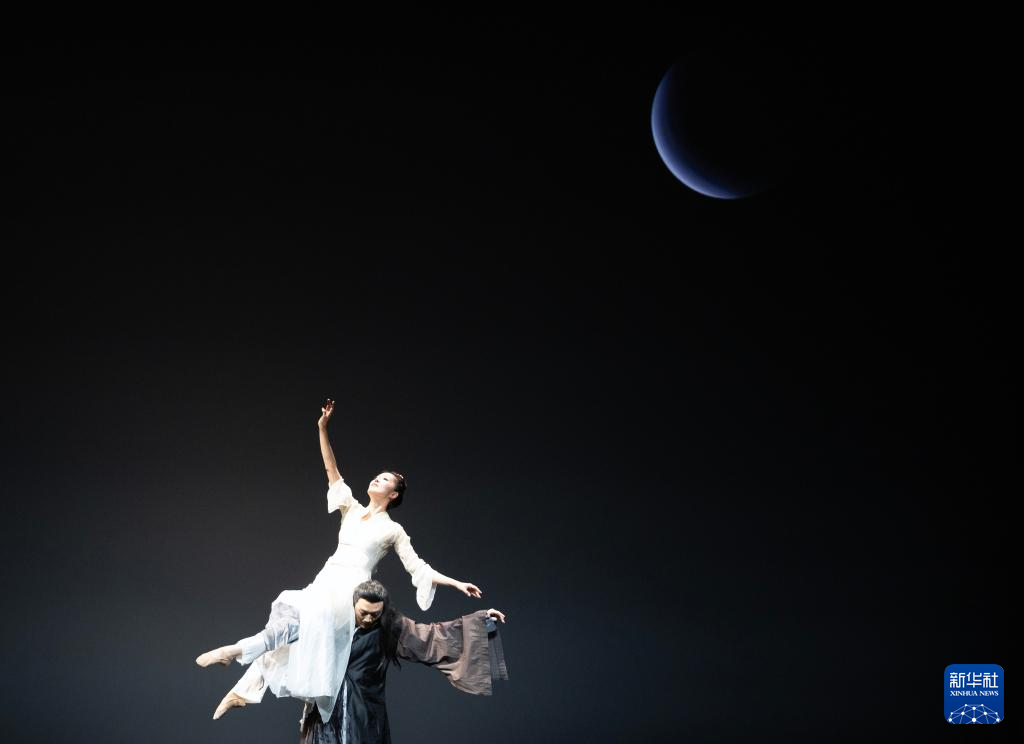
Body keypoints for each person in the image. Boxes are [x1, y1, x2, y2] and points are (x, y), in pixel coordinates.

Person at [195, 399, 484, 723]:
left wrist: (456, 583)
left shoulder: (393, 530)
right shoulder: (352, 509)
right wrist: (322, 428)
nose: (376, 480)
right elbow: (331, 469)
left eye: (385, 480)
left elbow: (419, 567)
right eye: (377, 477)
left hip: (351, 590)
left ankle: (235, 653)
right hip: (326, 578)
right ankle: (243, 687)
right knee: (290, 625)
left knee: (297, 626)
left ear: (394, 494)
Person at [300, 579, 509, 744]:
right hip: (327, 708)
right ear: (353, 605)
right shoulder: (334, 622)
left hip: (364, 711)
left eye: (375, 614)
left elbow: (430, 636)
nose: (369, 619)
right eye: (363, 613)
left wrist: (481, 621)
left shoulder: (389, 626)